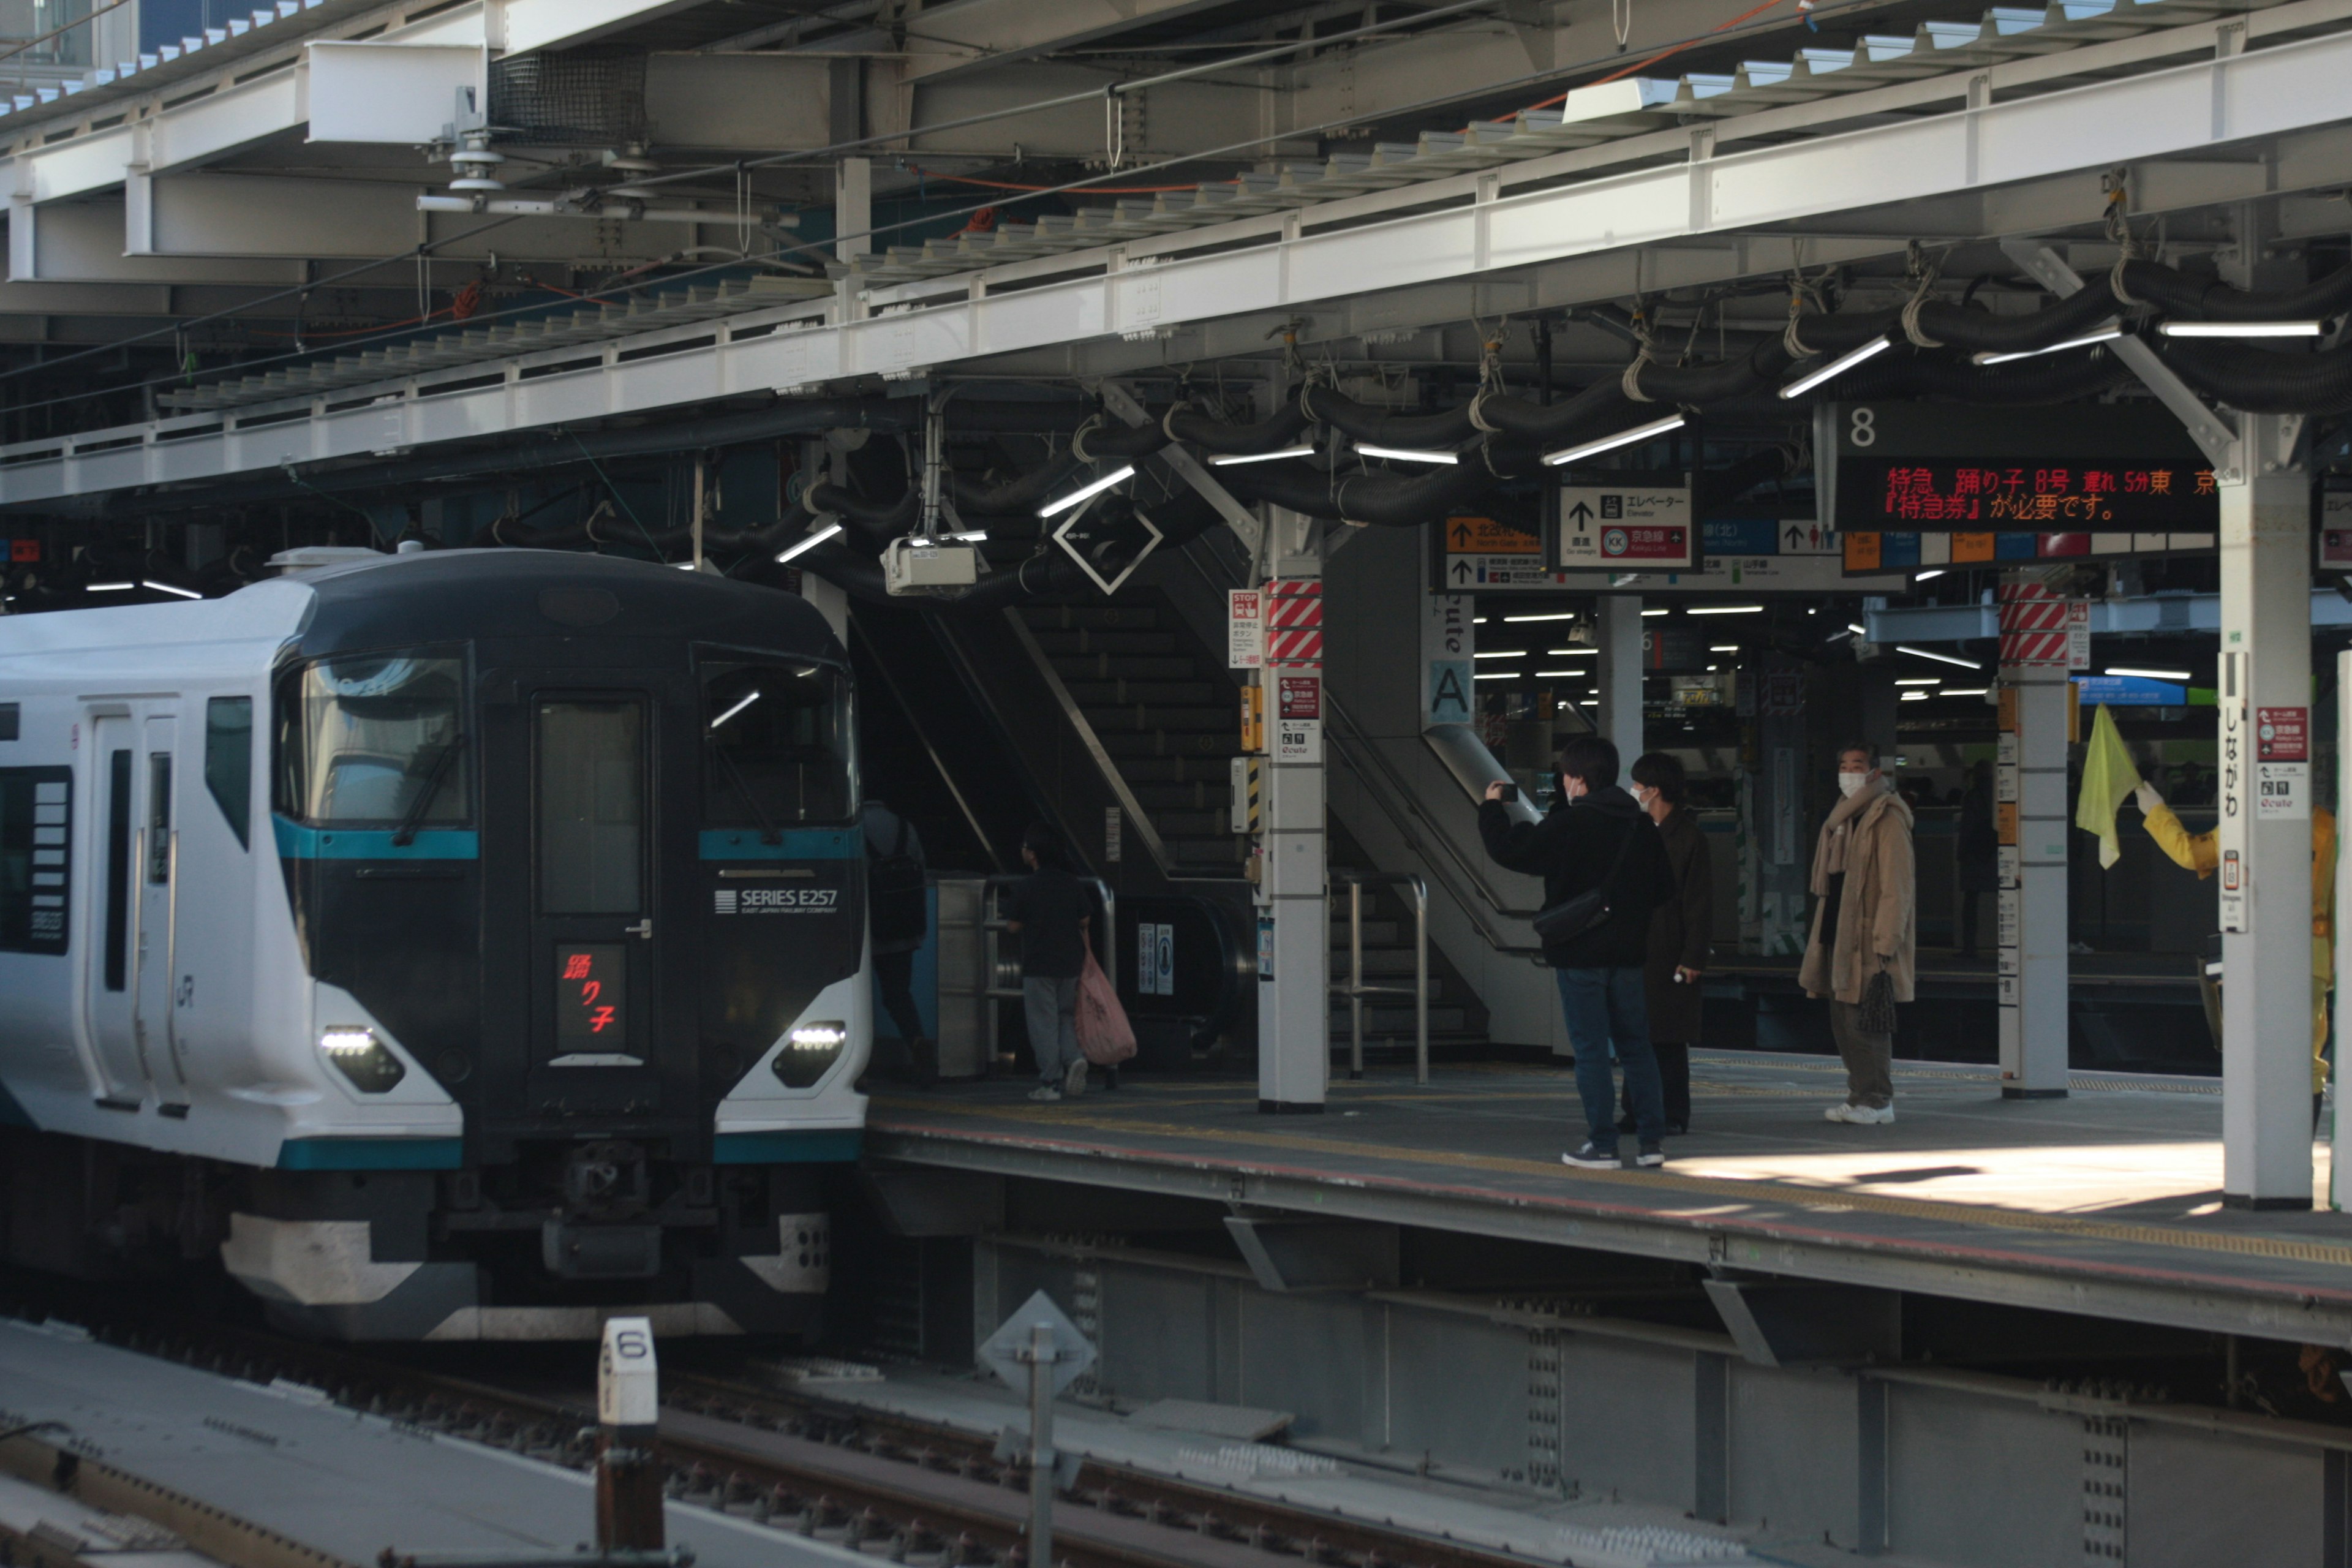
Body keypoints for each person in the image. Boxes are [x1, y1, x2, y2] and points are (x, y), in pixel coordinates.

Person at [1480, 735, 1676, 1169]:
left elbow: (1510, 850)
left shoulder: (1569, 826)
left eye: (1566, 776)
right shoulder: (1639, 823)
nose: (1564, 783)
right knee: (1637, 1049)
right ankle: (1650, 1144)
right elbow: (1663, 888)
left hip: (1580, 954)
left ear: (1578, 780)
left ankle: (1603, 1145)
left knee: (1591, 1052)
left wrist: (1492, 807)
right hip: (1627, 954)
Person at [2136, 777, 2335, 1117]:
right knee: (2305, 1060)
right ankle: (2296, 1150)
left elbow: (2191, 854)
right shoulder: (2328, 828)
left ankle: (2264, 1136)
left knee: (2255, 1050)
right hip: (2309, 958)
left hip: (2255, 955)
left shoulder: (2244, 823)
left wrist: (2155, 810)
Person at [1801, 745, 1917, 1125]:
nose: (1848, 772)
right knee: (1842, 1020)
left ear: (1874, 773)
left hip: (1868, 938)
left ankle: (1880, 1101)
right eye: (1843, 765)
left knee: (1866, 1023)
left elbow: (1896, 888)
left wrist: (1885, 942)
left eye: (1857, 766)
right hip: (1839, 931)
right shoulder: (1845, 816)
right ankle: (1859, 1094)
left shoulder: (1886, 818)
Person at [1618, 752, 1710, 1136]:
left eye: (1638, 785)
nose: (1633, 790)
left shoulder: (1689, 837)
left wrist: (1692, 957)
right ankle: (1636, 1111)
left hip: (1671, 951)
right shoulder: (1638, 830)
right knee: (1638, 1033)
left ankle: (1673, 1113)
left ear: (1653, 789)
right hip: (1638, 947)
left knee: (1669, 1038)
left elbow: (1699, 902)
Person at [1004, 821, 1093, 1102]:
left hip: (1039, 964)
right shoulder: (1071, 883)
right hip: (1069, 963)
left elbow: (1013, 926)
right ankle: (1075, 1059)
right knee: (1065, 1016)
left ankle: (1050, 1082)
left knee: (1043, 1022)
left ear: (1033, 854)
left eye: (1025, 847)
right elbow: (1085, 919)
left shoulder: (1028, 886)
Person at [862, 796, 935, 1087]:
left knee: (853, 995)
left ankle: (858, 1066)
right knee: (898, 996)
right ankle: (917, 1041)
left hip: (865, 927)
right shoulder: (906, 828)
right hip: (903, 929)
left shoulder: (852, 827)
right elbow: (921, 869)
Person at [1956, 761, 1998, 961]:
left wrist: (1961, 852)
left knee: (1971, 902)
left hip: (1974, 854)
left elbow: (1967, 827)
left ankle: (1970, 946)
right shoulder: (2002, 794)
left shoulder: (1973, 796)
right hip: (1995, 853)